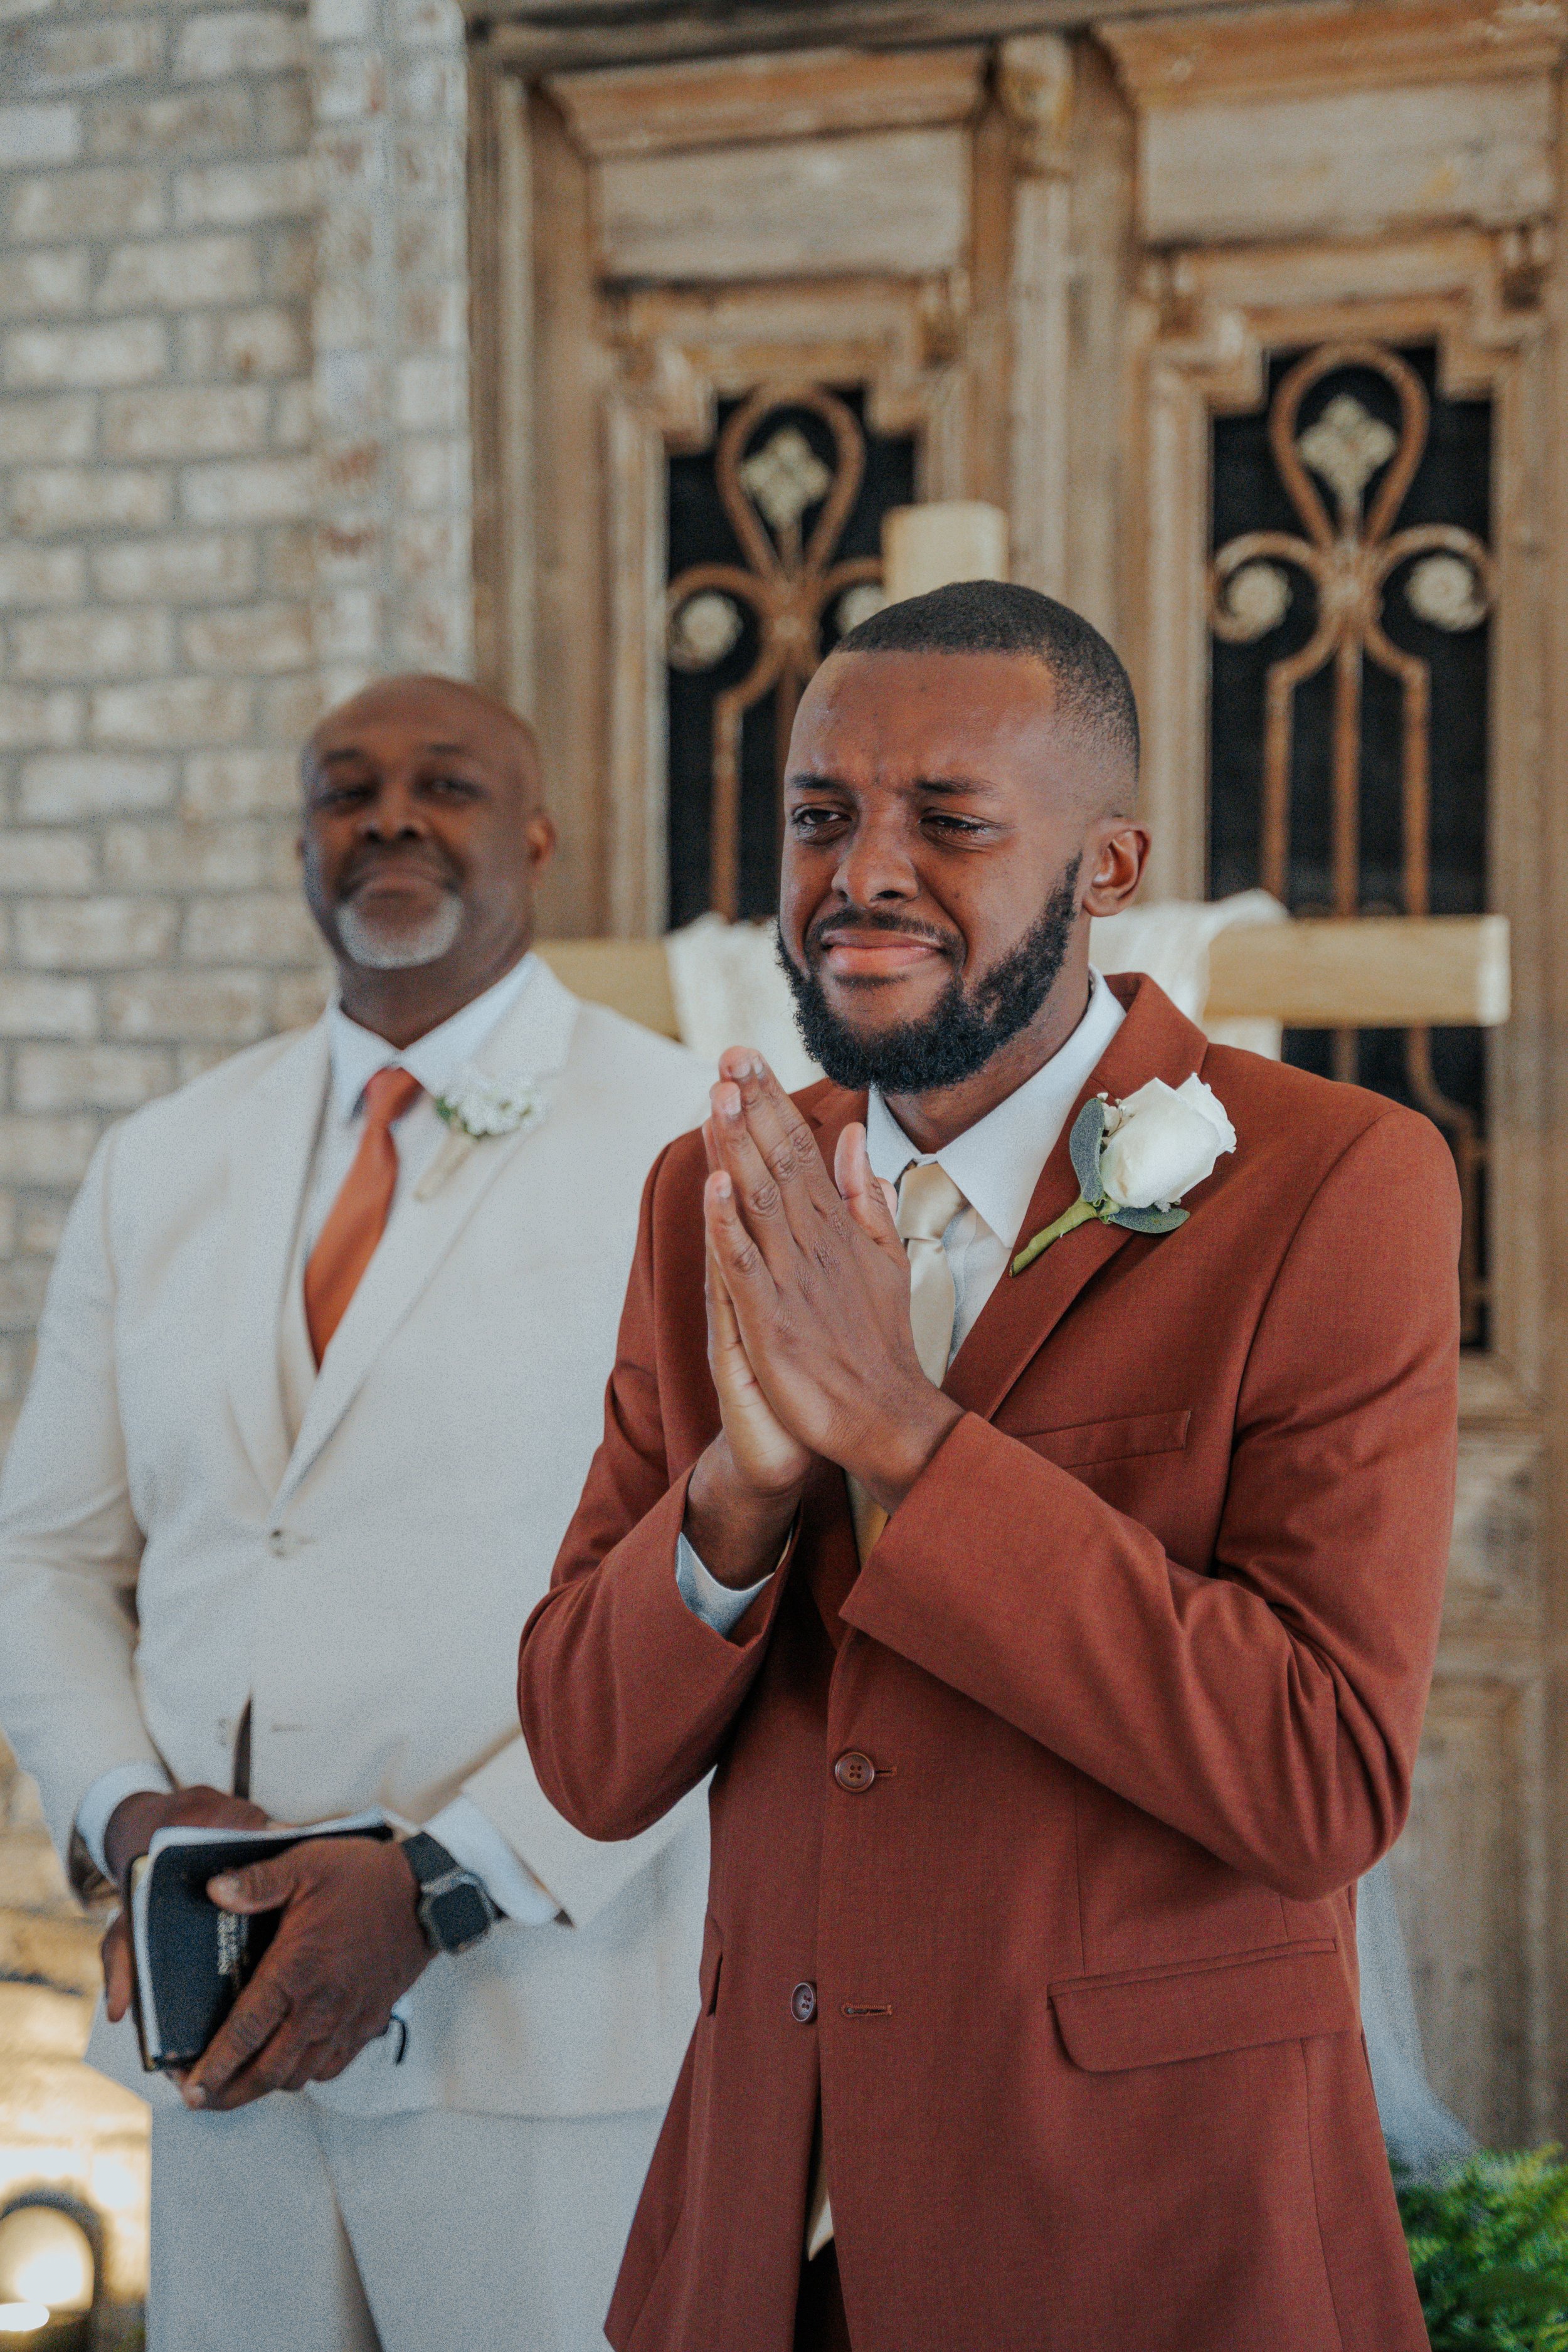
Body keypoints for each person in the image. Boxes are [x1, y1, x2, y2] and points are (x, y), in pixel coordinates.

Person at [517, 583, 1458, 2352]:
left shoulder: (1329, 1179)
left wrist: (904, 1439)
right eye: (818, 817)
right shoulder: (711, 1192)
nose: (859, 872)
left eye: (947, 820)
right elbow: (583, 1755)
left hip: (1146, 2235)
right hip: (755, 2236)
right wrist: (738, 1496)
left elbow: (1316, 1778)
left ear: (1105, 870)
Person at [0, 675, 716, 2352]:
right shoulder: (165, 1158)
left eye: (444, 783)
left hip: (545, 2021)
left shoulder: (682, 1137)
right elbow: (47, 1554)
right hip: (216, 2022)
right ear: (302, 843)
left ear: (536, 835)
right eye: (347, 789)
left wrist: (452, 1882)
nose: (390, 816)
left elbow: (727, 1585)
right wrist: (124, 1815)